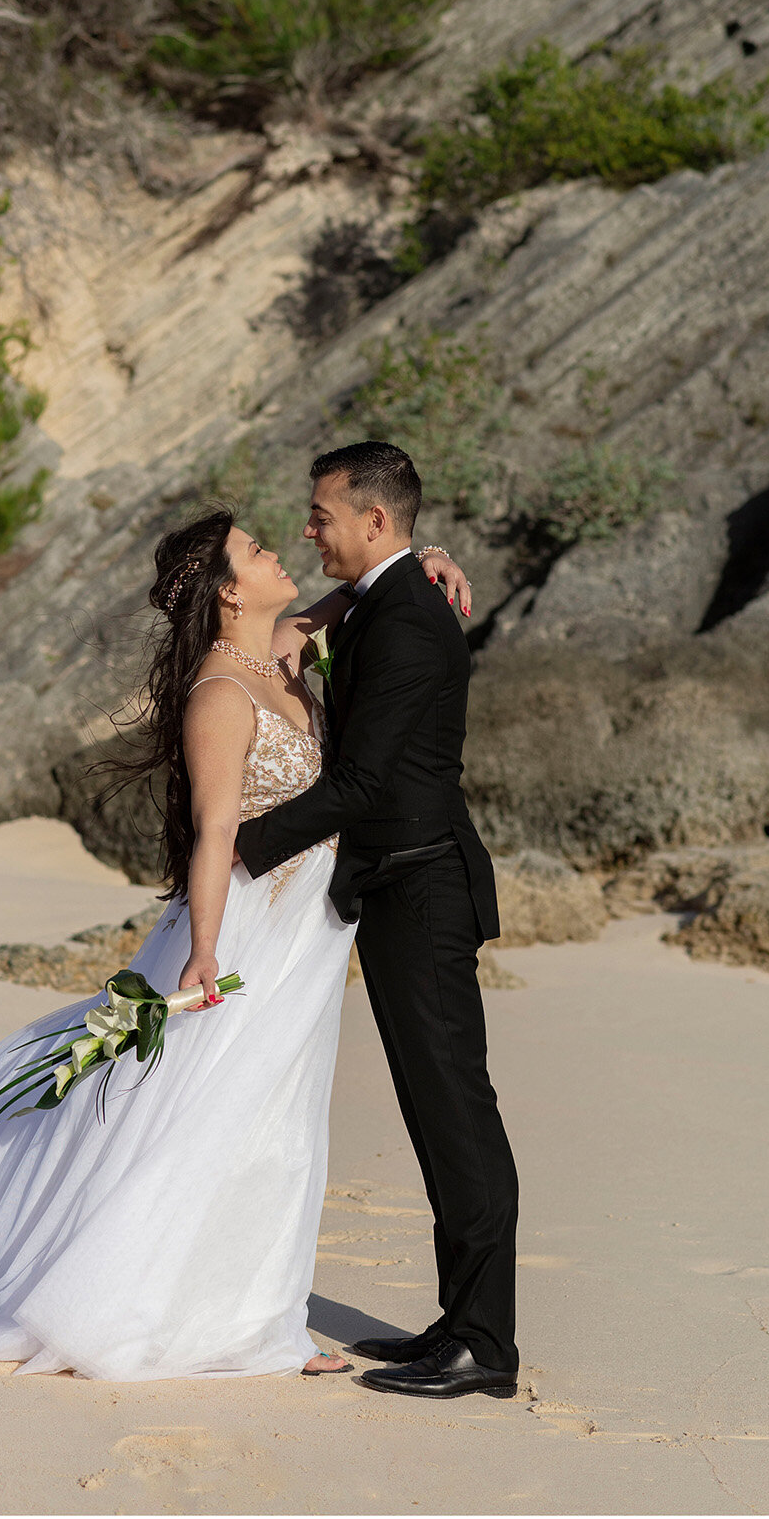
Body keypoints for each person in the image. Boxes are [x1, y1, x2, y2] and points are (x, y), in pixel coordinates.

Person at [0, 499, 477, 1382]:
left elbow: (363, 594)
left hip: (310, 930)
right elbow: (215, 831)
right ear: (228, 595)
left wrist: (427, 556)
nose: (278, 551)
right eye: (257, 551)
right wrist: (205, 952)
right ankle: (166, 1307)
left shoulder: (286, 648)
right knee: (204, 1115)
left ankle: (260, 1316)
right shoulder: (220, 693)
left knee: (276, 1118)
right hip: (249, 929)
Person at [236, 441, 517, 1401]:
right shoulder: (385, 598)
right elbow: (340, 617)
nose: (306, 529)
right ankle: (459, 1321)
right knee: (433, 1111)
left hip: (424, 888)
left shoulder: (409, 622)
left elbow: (363, 782)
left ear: (374, 521)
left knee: (456, 1113)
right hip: (398, 885)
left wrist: (241, 847)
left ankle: (484, 1343)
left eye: (320, 515)